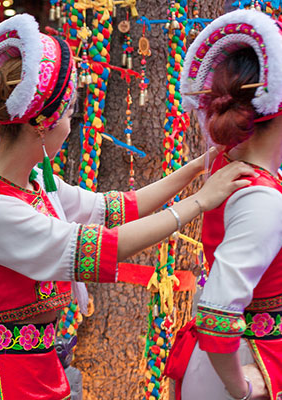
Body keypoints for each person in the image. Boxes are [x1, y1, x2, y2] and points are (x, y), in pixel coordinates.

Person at [0, 14, 255, 399]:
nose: (70, 125)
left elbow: (117, 207)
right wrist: (199, 201)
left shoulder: (32, 185)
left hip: (37, 365)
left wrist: (198, 167)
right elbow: (97, 248)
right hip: (4, 376)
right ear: (40, 125)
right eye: (67, 115)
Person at [164, 9, 282, 400]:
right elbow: (217, 315)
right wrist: (243, 388)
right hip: (244, 366)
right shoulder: (261, 195)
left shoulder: (230, 166)